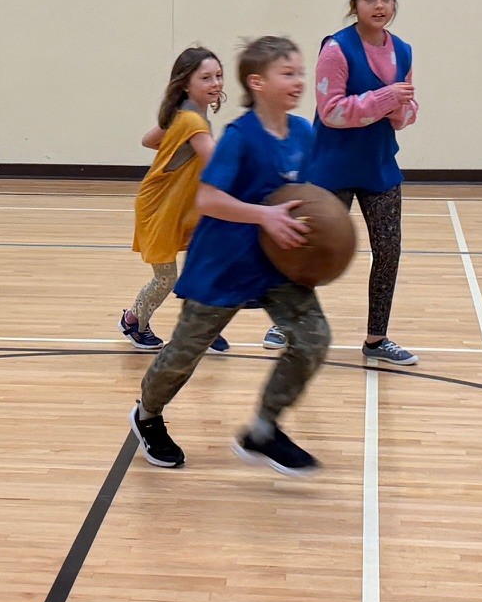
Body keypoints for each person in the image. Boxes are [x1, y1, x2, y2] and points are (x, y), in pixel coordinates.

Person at [127, 36, 332, 477]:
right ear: (257, 83)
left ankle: (263, 428)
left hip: (275, 264)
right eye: (288, 73)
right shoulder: (239, 137)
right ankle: (146, 416)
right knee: (184, 354)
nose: (299, 81)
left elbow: (305, 194)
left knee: (314, 338)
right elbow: (208, 199)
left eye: (301, 72)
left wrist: (317, 240)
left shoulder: (302, 133)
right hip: (222, 263)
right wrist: (264, 216)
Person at [307, 0, 419, 366]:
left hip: (378, 166)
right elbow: (331, 111)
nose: (379, 5)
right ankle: (287, 322)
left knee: (389, 251)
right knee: (316, 251)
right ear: (353, 4)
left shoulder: (402, 50)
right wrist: (385, 99)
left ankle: (376, 338)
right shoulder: (335, 49)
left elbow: (405, 110)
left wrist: (402, 110)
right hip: (332, 166)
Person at [122, 47, 230, 354]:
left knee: (208, 261)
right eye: (205, 77)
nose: (215, 83)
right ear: (185, 84)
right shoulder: (191, 121)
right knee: (166, 279)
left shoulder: (185, 113)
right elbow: (218, 162)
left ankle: (203, 328)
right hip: (159, 209)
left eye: (218, 76)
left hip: (182, 206)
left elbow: (149, 140)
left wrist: (173, 150)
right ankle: (133, 321)